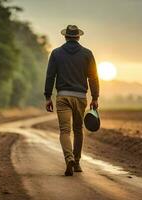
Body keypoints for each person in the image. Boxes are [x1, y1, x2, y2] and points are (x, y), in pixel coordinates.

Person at [44, 25, 99, 176]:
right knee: (78, 130)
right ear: (78, 37)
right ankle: (77, 162)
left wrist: (48, 96)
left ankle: (69, 158)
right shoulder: (87, 54)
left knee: (64, 131)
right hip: (80, 97)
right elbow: (93, 77)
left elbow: (50, 76)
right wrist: (95, 97)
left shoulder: (56, 53)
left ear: (65, 37)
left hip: (63, 96)